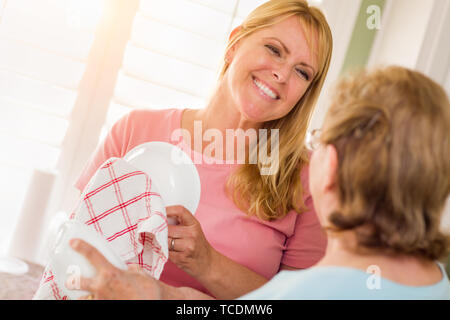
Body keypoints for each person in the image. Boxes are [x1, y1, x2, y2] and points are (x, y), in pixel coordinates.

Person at [69, 65, 450, 300]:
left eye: (317, 141)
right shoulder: (436, 283)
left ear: (328, 166)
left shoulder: (305, 291)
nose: (282, 74)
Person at [72, 0, 333, 299]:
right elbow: (74, 252)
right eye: (274, 50)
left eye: (302, 72)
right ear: (235, 43)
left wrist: (207, 263)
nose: (282, 75)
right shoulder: (134, 132)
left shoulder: (309, 180)